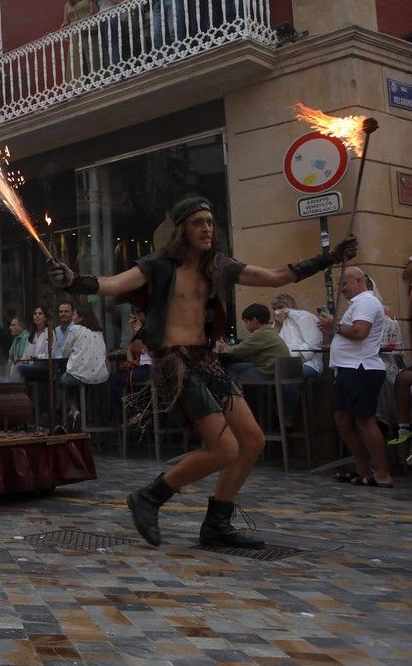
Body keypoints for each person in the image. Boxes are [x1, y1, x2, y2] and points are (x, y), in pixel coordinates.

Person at [48, 196, 358, 548]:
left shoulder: (219, 265)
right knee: (225, 449)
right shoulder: (159, 264)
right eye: (198, 222)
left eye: (210, 222)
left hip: (206, 361)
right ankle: (149, 497)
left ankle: (216, 524)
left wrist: (329, 257)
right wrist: (73, 281)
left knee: (252, 441)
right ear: (182, 229)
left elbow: (274, 277)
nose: (207, 228)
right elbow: (114, 283)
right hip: (175, 364)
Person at [317, 267, 391, 488]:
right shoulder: (356, 305)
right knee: (343, 418)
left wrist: (335, 324)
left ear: (359, 281)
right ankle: (363, 468)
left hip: (361, 368)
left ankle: (382, 473)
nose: (342, 289)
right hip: (348, 367)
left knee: (364, 419)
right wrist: (331, 329)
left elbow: (360, 333)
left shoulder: (366, 302)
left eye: (345, 284)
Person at [59, 306, 109, 425]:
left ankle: (74, 410)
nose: (72, 317)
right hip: (100, 376)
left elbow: (65, 351)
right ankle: (84, 413)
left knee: (61, 381)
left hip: (79, 374)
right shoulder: (99, 332)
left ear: (81, 318)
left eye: (75, 314)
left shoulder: (75, 329)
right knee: (79, 383)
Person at [218, 304, 291, 381]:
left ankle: (238, 392)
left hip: (270, 372)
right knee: (234, 367)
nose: (246, 326)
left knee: (238, 374)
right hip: (277, 369)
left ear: (254, 320)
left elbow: (240, 350)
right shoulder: (269, 330)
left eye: (246, 322)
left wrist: (225, 348)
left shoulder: (260, 333)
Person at [271, 294, 322, 377]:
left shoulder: (304, 316)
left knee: (288, 372)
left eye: (280, 307)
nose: (277, 311)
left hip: (308, 364)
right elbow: (271, 343)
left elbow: (312, 345)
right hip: (282, 364)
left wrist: (292, 364)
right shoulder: (277, 321)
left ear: (292, 305)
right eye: (274, 309)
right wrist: (277, 325)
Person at [91, 0, 129, 66]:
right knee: (105, 47)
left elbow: (124, 1)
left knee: (113, 44)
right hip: (101, 19)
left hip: (113, 17)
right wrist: (92, 0)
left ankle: (117, 70)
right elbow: (96, 11)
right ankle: (110, 71)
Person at [62, 0, 96, 77]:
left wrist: (79, 23)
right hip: (75, 34)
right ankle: (78, 84)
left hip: (89, 30)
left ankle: (95, 78)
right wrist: (64, 31)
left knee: (91, 55)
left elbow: (93, 12)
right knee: (76, 58)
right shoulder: (67, 5)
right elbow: (66, 22)